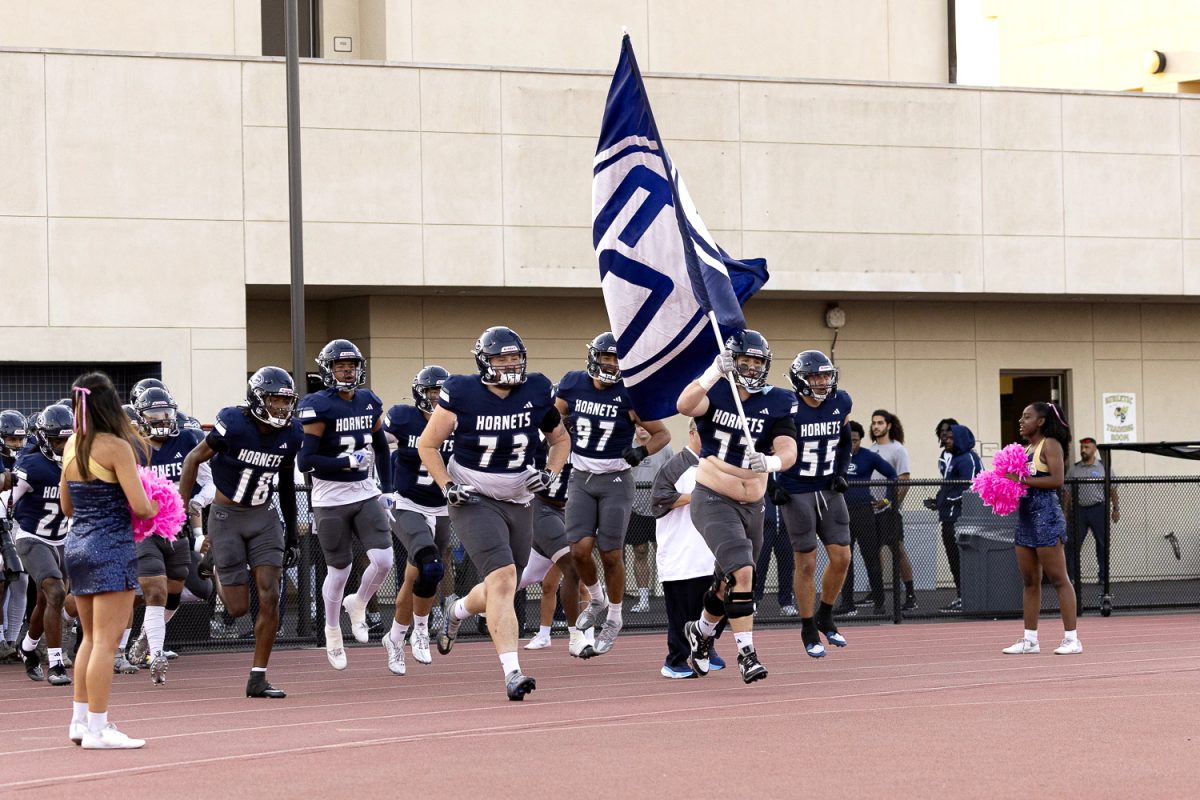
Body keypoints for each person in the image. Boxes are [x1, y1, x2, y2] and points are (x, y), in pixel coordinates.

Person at [420, 326, 569, 700]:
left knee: (503, 584)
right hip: (474, 496)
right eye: (501, 358)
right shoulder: (462, 391)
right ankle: (512, 671)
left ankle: (456, 610)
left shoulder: (536, 389)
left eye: (515, 357)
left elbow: (560, 440)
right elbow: (428, 444)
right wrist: (447, 487)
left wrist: (550, 474)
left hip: (519, 497)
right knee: (503, 579)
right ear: (484, 361)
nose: (510, 365)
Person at [677, 330, 798, 685]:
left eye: (758, 360)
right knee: (743, 572)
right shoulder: (716, 390)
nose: (751, 366)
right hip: (714, 496)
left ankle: (700, 631)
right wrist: (713, 372)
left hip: (754, 503)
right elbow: (684, 405)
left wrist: (772, 463)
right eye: (745, 359)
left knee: (729, 580)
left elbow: (788, 447)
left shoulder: (777, 401)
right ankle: (747, 654)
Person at [178, 366, 303, 698]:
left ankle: (258, 676)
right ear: (258, 399)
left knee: (270, 596)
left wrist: (290, 533)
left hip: (264, 517)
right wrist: (179, 509)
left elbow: (287, 483)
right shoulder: (233, 423)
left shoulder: (292, 433)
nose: (281, 408)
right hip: (226, 517)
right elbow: (192, 459)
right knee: (237, 609)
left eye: (285, 401)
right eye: (274, 400)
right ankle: (215, 564)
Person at [60, 371, 158, 749]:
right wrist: (157, 505)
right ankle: (99, 731)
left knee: (89, 638)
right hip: (111, 548)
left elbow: (67, 506)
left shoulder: (72, 444)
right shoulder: (116, 447)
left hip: (77, 547)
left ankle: (80, 722)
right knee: (106, 641)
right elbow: (140, 506)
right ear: (110, 405)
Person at [559, 332, 670, 655]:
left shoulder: (630, 394)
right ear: (593, 358)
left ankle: (616, 617)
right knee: (579, 550)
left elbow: (661, 434)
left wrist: (641, 451)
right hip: (581, 476)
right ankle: (597, 599)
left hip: (616, 479)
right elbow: (552, 417)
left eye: (616, 359)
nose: (610, 364)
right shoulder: (572, 384)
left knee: (611, 553)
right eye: (606, 357)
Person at [296, 339, 393, 671]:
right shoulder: (318, 406)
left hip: (365, 492)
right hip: (330, 498)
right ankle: (332, 628)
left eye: (351, 365)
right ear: (327, 370)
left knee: (383, 559)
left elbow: (381, 447)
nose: (347, 371)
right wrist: (346, 461)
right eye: (340, 365)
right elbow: (306, 460)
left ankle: (359, 603)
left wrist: (388, 489)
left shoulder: (368, 401)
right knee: (340, 570)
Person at [774, 350, 853, 658]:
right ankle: (807, 625)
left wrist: (841, 473)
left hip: (828, 489)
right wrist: (773, 484)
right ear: (799, 379)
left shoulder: (841, 401)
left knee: (842, 557)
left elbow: (845, 440)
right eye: (815, 377)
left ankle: (825, 614)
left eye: (825, 375)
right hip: (796, 489)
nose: (822, 382)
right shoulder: (786, 407)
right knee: (806, 562)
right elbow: (764, 443)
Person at [126, 386, 206, 684]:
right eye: (154, 414)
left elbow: (210, 480)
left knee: (173, 593)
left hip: (177, 528)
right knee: (154, 591)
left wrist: (197, 503)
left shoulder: (188, 438)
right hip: (144, 528)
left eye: (166, 413)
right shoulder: (131, 446)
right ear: (141, 417)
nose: (161, 420)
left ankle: (146, 637)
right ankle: (156, 655)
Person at [379, 365, 454, 675]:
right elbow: (374, 441)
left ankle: (395, 637)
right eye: (431, 393)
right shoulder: (402, 417)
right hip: (407, 503)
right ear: (420, 395)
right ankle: (420, 630)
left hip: (442, 507)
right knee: (431, 564)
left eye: (441, 393)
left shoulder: (457, 423)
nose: (436, 399)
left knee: (417, 579)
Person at [1002, 402, 1081, 656]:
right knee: (1029, 581)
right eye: (1021, 417)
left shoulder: (1050, 445)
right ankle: (1030, 640)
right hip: (1025, 520)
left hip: (1046, 518)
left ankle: (1072, 639)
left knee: (1059, 579)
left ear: (1042, 421)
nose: (1021, 421)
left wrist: (1021, 480)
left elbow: (1057, 480)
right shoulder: (1026, 449)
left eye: (1027, 417)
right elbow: (1017, 484)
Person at [649, 421, 725, 678]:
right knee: (681, 614)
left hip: (709, 552)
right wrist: (697, 495)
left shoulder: (716, 464)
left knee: (716, 605)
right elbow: (658, 499)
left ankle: (706, 649)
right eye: (706, 433)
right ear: (692, 433)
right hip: (681, 554)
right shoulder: (676, 465)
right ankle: (675, 661)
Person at [7, 405, 75, 685]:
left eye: (67, 439)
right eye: (57, 440)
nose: (63, 445)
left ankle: (28, 646)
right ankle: (56, 663)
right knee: (56, 593)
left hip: (62, 538)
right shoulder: (32, 465)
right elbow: (8, 499)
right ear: (45, 438)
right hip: (31, 536)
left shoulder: (78, 462)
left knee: (46, 599)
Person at [517, 442, 591, 657]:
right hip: (543, 510)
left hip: (569, 513)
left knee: (521, 579)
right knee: (569, 572)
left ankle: (463, 607)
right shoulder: (540, 443)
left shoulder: (585, 444)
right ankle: (569, 634)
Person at [838, 420, 897, 616]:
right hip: (842, 513)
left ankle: (879, 603)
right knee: (844, 560)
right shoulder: (836, 457)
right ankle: (847, 603)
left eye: (855, 440)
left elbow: (893, 475)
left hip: (864, 512)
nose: (852, 444)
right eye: (848, 440)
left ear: (860, 440)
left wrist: (887, 500)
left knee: (871, 558)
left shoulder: (869, 457)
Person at [923, 423, 983, 612]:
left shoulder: (968, 459)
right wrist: (938, 500)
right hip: (948, 518)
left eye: (950, 438)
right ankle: (961, 596)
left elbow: (971, 488)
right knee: (953, 560)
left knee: (962, 560)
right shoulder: (954, 459)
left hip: (962, 519)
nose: (945, 441)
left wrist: (945, 500)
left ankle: (970, 598)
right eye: (944, 437)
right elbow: (949, 487)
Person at [869, 410, 916, 611]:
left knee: (897, 549)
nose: (876, 426)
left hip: (889, 510)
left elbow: (904, 480)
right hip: (871, 510)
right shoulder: (870, 450)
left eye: (880, 423)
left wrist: (891, 503)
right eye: (873, 423)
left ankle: (911, 594)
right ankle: (877, 592)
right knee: (873, 551)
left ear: (888, 425)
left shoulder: (898, 450)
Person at [627, 424, 674, 613]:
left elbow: (674, 473)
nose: (642, 428)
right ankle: (644, 599)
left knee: (663, 551)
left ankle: (671, 596)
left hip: (659, 508)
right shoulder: (628, 446)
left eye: (645, 425)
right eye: (638, 425)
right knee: (640, 551)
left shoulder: (665, 447)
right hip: (635, 508)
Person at [1064, 437, 1120, 592]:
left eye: (1087, 447)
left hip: (1098, 510)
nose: (1083, 450)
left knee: (1102, 544)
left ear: (1094, 449)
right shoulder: (1074, 469)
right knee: (1073, 545)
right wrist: (1065, 512)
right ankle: (1072, 577)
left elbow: (1112, 489)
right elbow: (1067, 492)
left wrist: (1116, 509)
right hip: (1079, 511)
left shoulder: (1104, 468)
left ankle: (1103, 576)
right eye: (1082, 447)